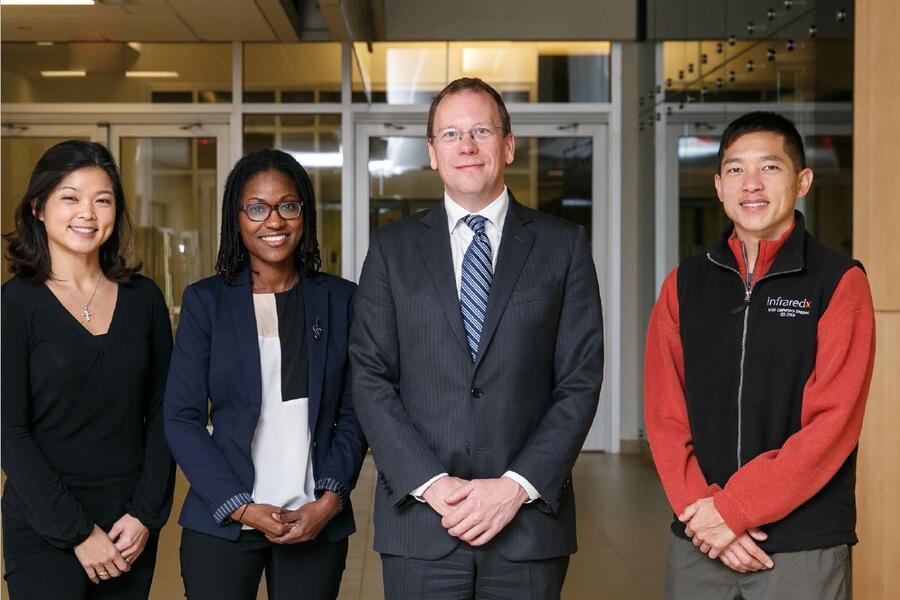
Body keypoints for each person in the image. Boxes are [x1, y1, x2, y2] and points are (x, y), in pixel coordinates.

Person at [350, 77, 604, 599]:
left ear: (507, 145)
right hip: (421, 526)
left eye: (481, 130)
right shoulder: (392, 249)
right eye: (450, 134)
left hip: (527, 528)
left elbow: (579, 381)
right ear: (432, 153)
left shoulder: (563, 246)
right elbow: (370, 376)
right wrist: (432, 485)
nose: (466, 146)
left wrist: (516, 487)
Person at [644, 111, 876, 600]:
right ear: (719, 185)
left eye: (769, 168)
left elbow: (831, 426)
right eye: (735, 169)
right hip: (699, 538)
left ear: (802, 181)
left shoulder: (837, 283)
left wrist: (735, 511)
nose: (751, 184)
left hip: (799, 545)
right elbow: (666, 416)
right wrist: (704, 514)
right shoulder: (684, 284)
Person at [164, 149, 366, 600]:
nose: (273, 221)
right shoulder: (206, 302)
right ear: (236, 218)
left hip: (313, 519)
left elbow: (354, 413)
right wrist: (241, 507)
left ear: (304, 214)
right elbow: (180, 417)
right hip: (224, 520)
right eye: (257, 208)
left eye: (288, 205)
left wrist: (330, 499)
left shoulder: (341, 300)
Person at [1, 140, 176, 599]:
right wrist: (78, 532)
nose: (88, 213)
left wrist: (145, 516)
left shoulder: (144, 299)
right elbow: (9, 431)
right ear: (38, 207)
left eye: (103, 200)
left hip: (128, 527)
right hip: (46, 526)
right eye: (71, 197)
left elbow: (167, 412)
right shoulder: (15, 305)